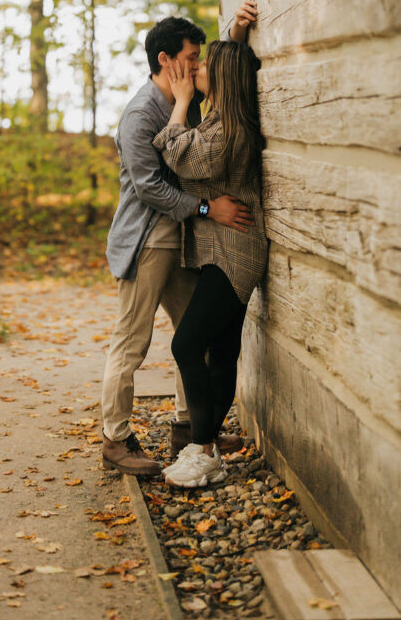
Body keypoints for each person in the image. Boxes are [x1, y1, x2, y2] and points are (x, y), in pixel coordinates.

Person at [101, 0, 258, 476]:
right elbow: (149, 186)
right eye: (191, 57)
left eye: (200, 58)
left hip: (183, 240)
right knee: (132, 339)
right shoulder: (140, 115)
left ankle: (190, 429)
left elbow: (223, 73)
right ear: (166, 60)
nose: (196, 65)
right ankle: (114, 439)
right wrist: (209, 207)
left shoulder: (185, 100)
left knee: (194, 336)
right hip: (148, 240)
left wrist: (234, 33)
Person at [152, 33, 268, 488]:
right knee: (221, 354)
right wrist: (236, 30)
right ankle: (207, 449)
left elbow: (182, 159)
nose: (194, 69)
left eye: (203, 66)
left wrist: (180, 102)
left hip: (234, 253)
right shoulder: (222, 116)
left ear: (221, 76)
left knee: (186, 345)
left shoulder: (226, 130)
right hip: (227, 249)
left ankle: (201, 450)